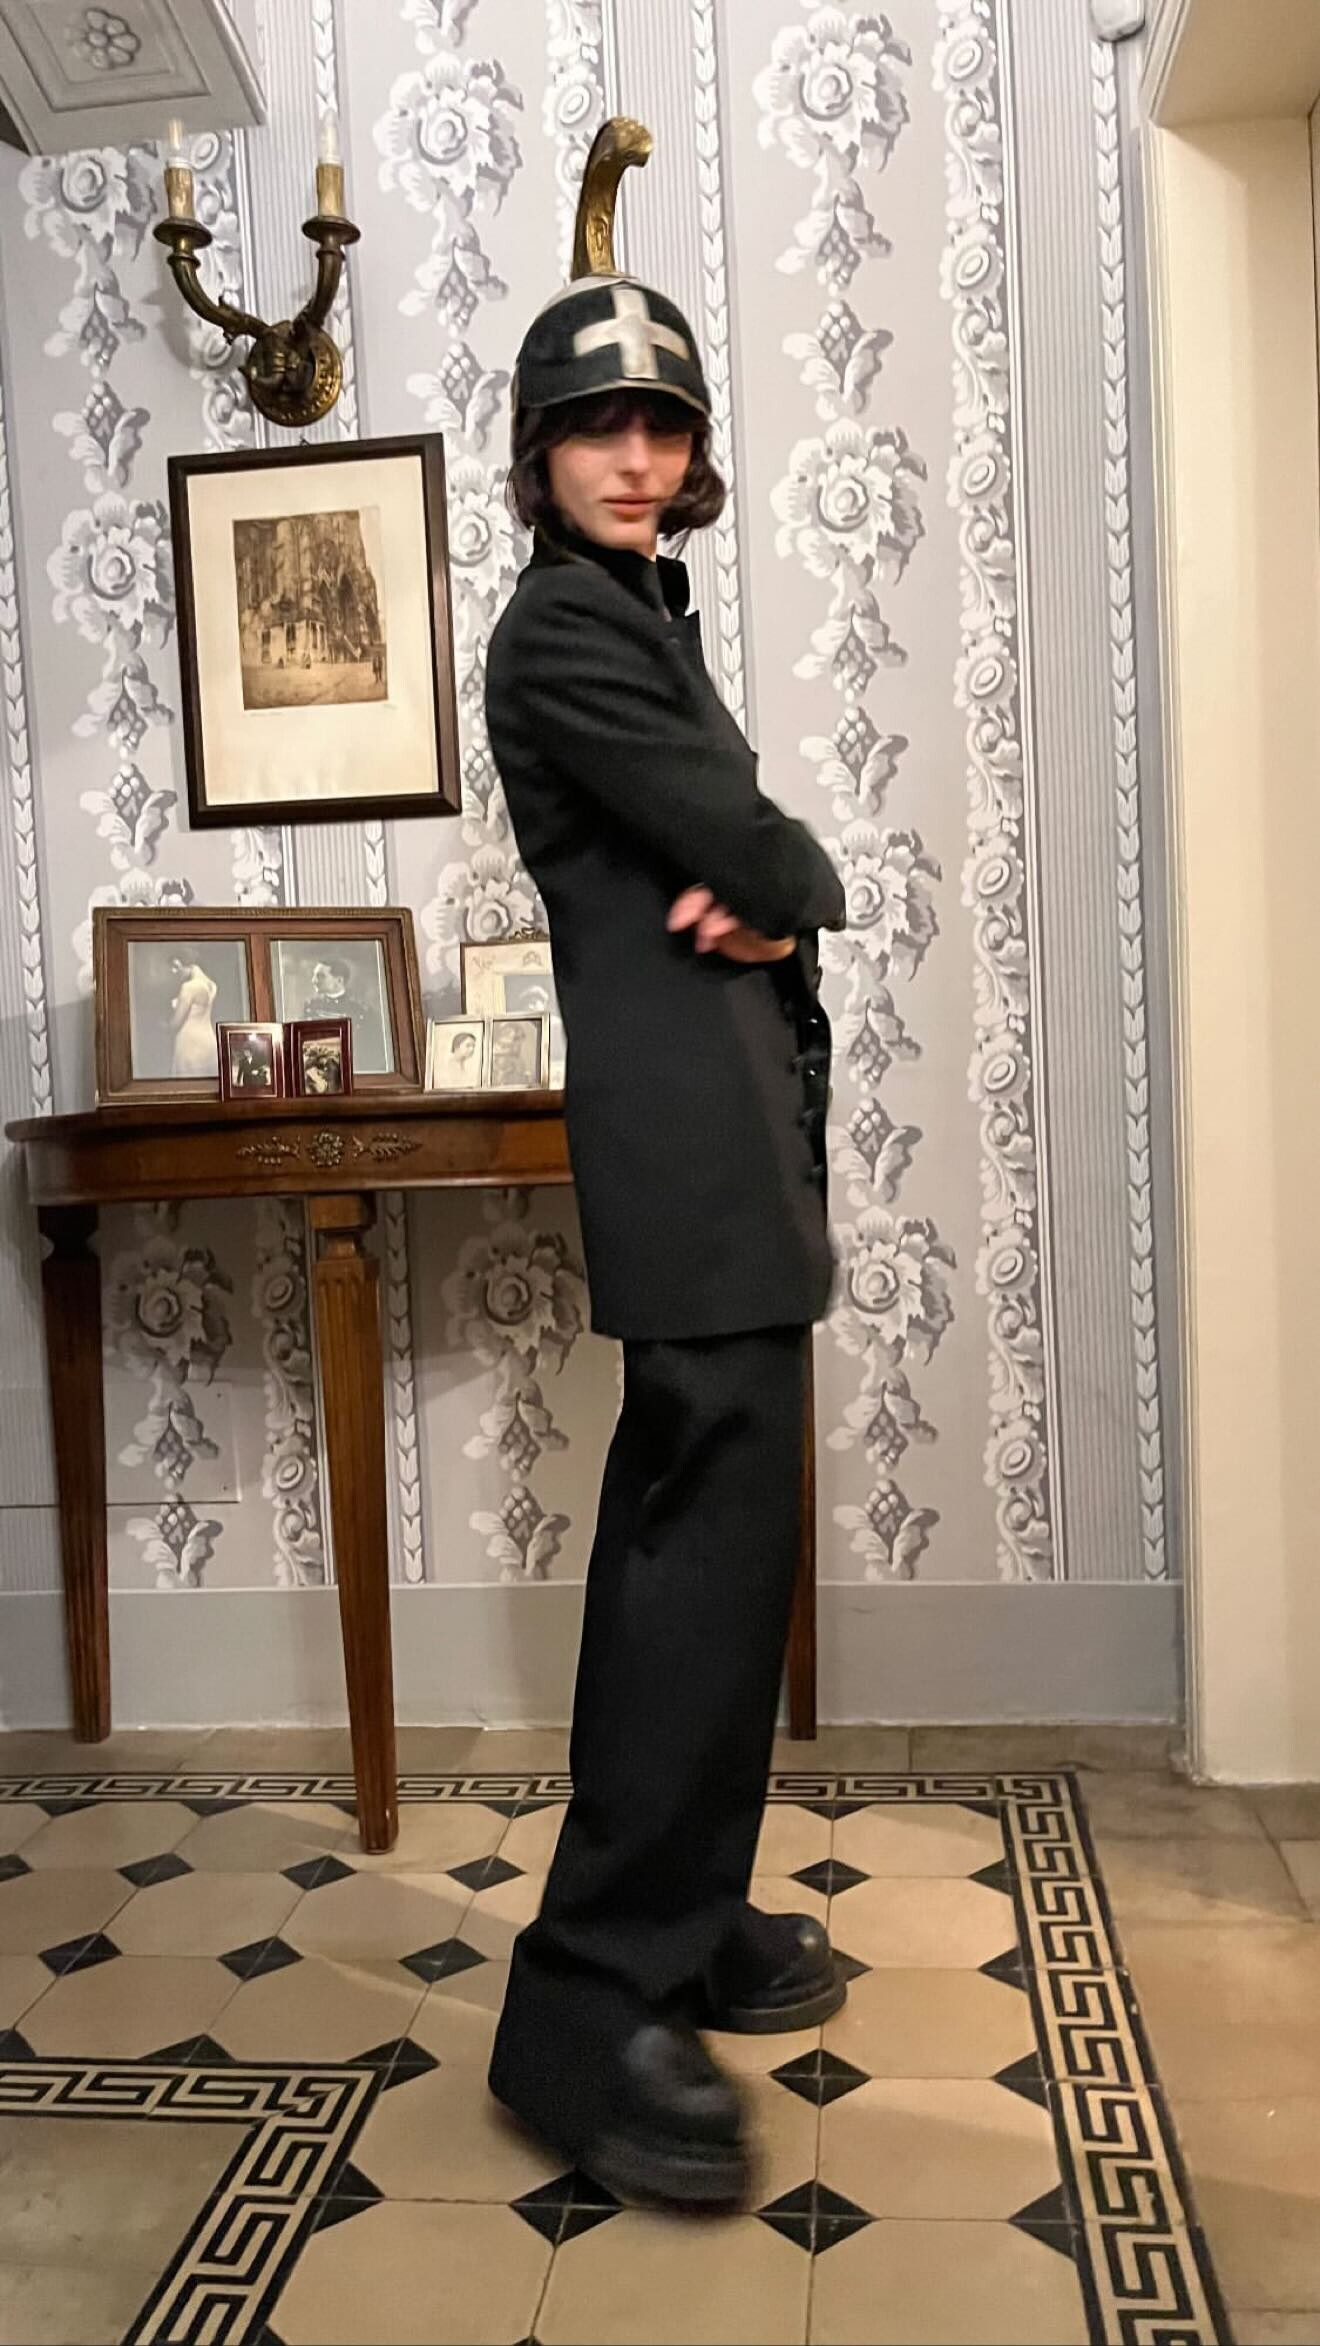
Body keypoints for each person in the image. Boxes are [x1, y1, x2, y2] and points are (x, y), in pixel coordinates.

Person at [482, 119, 848, 2212]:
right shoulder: (565, 631)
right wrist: (786, 880)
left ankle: (686, 1923)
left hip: (733, 1156)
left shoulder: (642, 611)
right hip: (686, 1159)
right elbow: (759, 849)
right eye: (596, 426)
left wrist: (768, 889)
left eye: (663, 425)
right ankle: (582, 2006)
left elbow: (745, 857)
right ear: (539, 454)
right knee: (689, 1581)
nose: (633, 456)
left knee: (722, 1566)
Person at [169, 955, 219, 1079]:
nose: (174, 972)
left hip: (190, 1044)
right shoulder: (211, 984)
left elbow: (176, 1023)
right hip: (209, 1042)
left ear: (188, 965)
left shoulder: (189, 987)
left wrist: (162, 1027)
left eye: (176, 967)